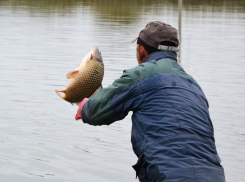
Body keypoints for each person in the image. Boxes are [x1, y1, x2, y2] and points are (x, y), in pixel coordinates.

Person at [75, 21, 226, 182]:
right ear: (175, 55)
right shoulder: (194, 86)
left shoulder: (142, 74)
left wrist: (84, 107)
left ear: (141, 50)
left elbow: (96, 111)